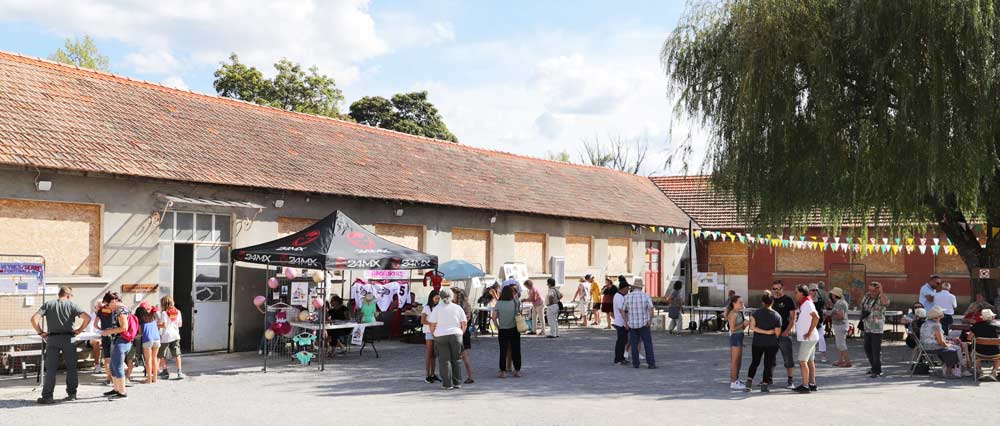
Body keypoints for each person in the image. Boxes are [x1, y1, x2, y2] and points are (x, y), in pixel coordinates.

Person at [30, 286, 91, 404]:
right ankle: (72, 394)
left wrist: (41, 332)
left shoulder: (48, 304)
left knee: (51, 369)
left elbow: (34, 319)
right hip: (69, 339)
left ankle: (47, 396)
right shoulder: (72, 305)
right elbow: (87, 318)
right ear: (68, 295)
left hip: (52, 339)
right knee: (72, 368)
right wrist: (79, 330)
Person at [427, 288, 468, 390]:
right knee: (457, 359)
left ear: (440, 297)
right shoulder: (457, 308)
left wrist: (434, 334)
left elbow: (432, 324)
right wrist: (461, 333)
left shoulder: (437, 308)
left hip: (440, 335)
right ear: (452, 296)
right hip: (456, 334)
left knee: (444, 360)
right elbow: (464, 323)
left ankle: (447, 384)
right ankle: (457, 382)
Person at [745, 291, 781, 393]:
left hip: (757, 342)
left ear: (762, 302)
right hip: (771, 343)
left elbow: (752, 327)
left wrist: (764, 332)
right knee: (768, 364)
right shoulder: (777, 316)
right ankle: (764, 385)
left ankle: (749, 382)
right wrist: (770, 332)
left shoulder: (755, 313)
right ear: (772, 302)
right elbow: (777, 332)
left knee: (755, 362)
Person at [101, 295, 132, 399]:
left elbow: (124, 327)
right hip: (118, 340)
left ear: (113, 301)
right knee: (113, 366)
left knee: (118, 366)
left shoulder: (121, 310)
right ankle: (116, 389)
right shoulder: (120, 309)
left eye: (107, 304)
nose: (108, 307)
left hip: (122, 341)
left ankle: (122, 392)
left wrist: (109, 331)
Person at [621, 279, 656, 369]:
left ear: (633, 287)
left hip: (632, 324)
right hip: (644, 323)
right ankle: (651, 363)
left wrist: (626, 322)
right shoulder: (646, 296)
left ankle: (636, 363)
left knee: (633, 344)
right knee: (647, 344)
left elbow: (622, 310)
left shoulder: (627, 297)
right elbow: (651, 309)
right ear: (641, 287)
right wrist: (650, 320)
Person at [770, 280, 798, 389]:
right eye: (774, 289)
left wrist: (787, 330)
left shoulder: (788, 300)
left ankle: (790, 381)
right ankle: (768, 379)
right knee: (770, 358)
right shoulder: (770, 300)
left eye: (779, 288)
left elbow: (793, 318)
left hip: (784, 334)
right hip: (771, 334)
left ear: (783, 288)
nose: (776, 291)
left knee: (788, 358)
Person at [920, 306, 962, 378]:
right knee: (955, 349)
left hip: (924, 346)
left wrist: (949, 341)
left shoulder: (926, 323)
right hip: (932, 346)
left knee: (953, 346)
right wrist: (947, 344)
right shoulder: (936, 325)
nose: (943, 313)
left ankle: (954, 369)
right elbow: (940, 342)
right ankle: (949, 372)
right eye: (942, 312)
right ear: (938, 315)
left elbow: (937, 338)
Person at [792, 284, 819, 393]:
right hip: (811, 338)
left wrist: (809, 332)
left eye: (796, 292)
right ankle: (812, 384)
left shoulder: (807, 303)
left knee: (802, 361)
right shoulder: (805, 303)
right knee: (810, 361)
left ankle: (805, 386)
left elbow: (816, 317)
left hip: (809, 338)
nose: (795, 294)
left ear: (802, 293)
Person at [861, 281, 890, 378]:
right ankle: (874, 367)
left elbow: (886, 303)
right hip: (867, 326)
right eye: (870, 290)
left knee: (875, 349)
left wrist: (881, 291)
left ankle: (877, 370)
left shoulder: (881, 297)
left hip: (877, 328)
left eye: (874, 290)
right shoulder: (866, 297)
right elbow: (863, 306)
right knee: (867, 347)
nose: (871, 292)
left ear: (878, 290)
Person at [494, 285, 522, 378]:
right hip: (514, 328)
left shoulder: (499, 303)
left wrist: (497, 326)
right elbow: (519, 314)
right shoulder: (516, 302)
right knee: (516, 349)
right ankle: (517, 371)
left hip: (503, 329)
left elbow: (493, 317)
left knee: (503, 350)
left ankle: (503, 372)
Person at [157, 296, 184, 379]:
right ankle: (179, 372)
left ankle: (165, 372)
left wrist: (156, 324)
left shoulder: (164, 313)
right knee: (177, 354)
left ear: (164, 304)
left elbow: (164, 325)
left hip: (166, 336)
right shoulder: (177, 312)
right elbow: (180, 324)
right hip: (176, 335)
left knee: (162, 354)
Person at [452, 288, 475, 384]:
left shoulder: (457, 306)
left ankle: (467, 376)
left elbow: (465, 319)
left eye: (453, 295)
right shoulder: (466, 305)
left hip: (459, 332)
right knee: (463, 356)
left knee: (461, 356)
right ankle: (468, 376)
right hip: (463, 332)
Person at [970, 309, 1000, 380]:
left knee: (974, 352)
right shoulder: (997, 326)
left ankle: (980, 373)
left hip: (980, 353)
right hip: (995, 353)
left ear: (982, 318)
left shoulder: (976, 326)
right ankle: (993, 373)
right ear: (992, 317)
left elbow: (969, 338)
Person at [726, 295, 748, 390]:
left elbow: (741, 329)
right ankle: (734, 382)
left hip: (739, 337)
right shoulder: (733, 314)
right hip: (735, 337)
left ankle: (735, 379)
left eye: (742, 302)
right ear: (734, 303)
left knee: (738, 361)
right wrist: (743, 324)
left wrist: (745, 326)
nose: (742, 304)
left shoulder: (738, 313)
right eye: (740, 302)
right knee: (735, 361)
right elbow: (732, 329)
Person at [96, 293, 118, 385]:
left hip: (105, 334)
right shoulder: (114, 309)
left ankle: (109, 378)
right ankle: (115, 378)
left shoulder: (100, 310)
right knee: (115, 358)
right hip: (113, 334)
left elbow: (95, 324)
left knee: (107, 358)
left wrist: (102, 330)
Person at [136, 305, 160, 384]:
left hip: (147, 340)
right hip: (157, 339)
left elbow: (140, 333)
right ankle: (155, 378)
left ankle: (149, 379)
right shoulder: (152, 317)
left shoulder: (141, 320)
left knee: (148, 360)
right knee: (154, 358)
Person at [421, 290, 441, 384]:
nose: (437, 300)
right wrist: (431, 323)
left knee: (434, 354)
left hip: (437, 332)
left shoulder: (439, 307)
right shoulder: (426, 307)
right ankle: (427, 375)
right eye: (436, 298)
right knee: (429, 353)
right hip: (429, 332)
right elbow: (422, 321)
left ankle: (433, 374)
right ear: (431, 298)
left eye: (438, 299)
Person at [829, 287, 852, 367]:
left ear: (835, 295)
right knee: (839, 344)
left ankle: (847, 362)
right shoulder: (841, 302)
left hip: (840, 325)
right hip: (840, 325)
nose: (831, 295)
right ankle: (840, 361)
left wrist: (831, 315)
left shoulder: (840, 303)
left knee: (841, 344)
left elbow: (841, 316)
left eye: (832, 294)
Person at [612, 281, 629, 365]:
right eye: (627, 288)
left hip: (623, 321)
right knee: (620, 341)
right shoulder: (618, 296)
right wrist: (626, 322)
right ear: (624, 288)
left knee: (624, 341)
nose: (628, 290)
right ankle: (618, 359)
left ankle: (622, 358)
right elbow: (622, 310)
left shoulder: (622, 296)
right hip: (621, 322)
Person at [809, 283, 828, 362]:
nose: (815, 292)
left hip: (819, 323)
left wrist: (823, 318)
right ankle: (811, 357)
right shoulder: (807, 301)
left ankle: (823, 356)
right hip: (809, 323)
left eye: (816, 290)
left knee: (821, 339)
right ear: (809, 291)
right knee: (810, 340)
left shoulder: (820, 300)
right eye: (813, 290)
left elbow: (824, 310)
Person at [84, 302, 103, 375]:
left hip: (102, 337)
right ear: (95, 307)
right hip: (91, 338)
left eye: (102, 307)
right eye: (99, 307)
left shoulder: (105, 315)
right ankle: (97, 365)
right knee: (96, 342)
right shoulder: (91, 317)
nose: (101, 308)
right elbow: (90, 332)